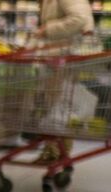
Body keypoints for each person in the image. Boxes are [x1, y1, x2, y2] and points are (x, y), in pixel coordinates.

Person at [34, 0, 95, 163]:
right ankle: (59, 152)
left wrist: (47, 30)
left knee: (56, 107)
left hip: (64, 58)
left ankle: (54, 152)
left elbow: (80, 18)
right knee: (58, 108)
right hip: (60, 56)